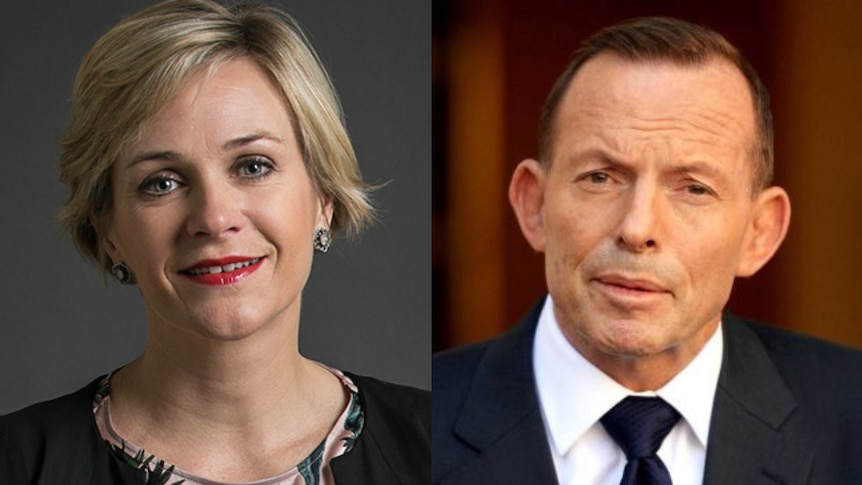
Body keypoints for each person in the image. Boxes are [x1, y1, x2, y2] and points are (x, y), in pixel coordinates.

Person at [0, 1, 429, 483]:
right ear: (109, 232)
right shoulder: (17, 463)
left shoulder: (432, 443)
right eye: (161, 182)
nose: (214, 218)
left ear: (323, 196)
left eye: (253, 166)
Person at [433, 16, 862, 485]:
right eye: (600, 177)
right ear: (533, 205)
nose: (637, 229)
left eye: (694, 189)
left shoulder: (850, 416)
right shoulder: (419, 421)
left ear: (760, 232)